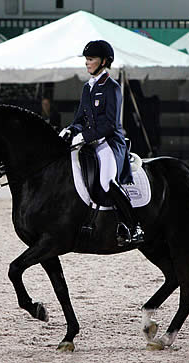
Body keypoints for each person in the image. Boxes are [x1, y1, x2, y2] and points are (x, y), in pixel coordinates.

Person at [59, 40, 144, 247]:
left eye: (91, 59)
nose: (87, 63)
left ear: (104, 61)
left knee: (107, 182)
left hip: (110, 142)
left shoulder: (111, 88)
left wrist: (84, 137)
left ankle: (133, 227)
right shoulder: (87, 87)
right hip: (91, 142)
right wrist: (71, 130)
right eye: (86, 59)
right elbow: (80, 118)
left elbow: (109, 124)